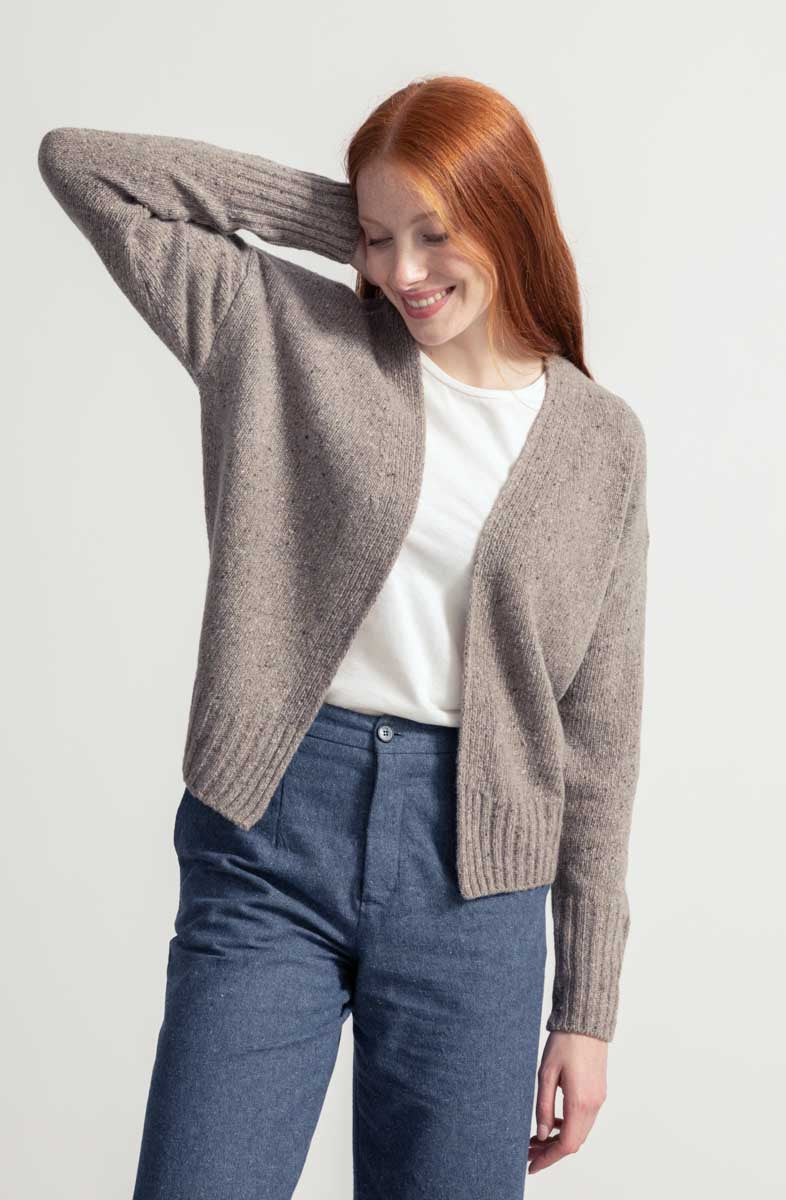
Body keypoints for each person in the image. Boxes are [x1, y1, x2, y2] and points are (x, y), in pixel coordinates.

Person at [37, 73, 649, 1199]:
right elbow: (81, 163)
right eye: (379, 239)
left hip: (478, 879)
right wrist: (352, 221)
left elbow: (598, 742)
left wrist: (587, 1008)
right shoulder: (281, 330)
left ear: (508, 214)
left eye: (437, 233)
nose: (404, 273)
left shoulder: (601, 442)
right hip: (273, 833)